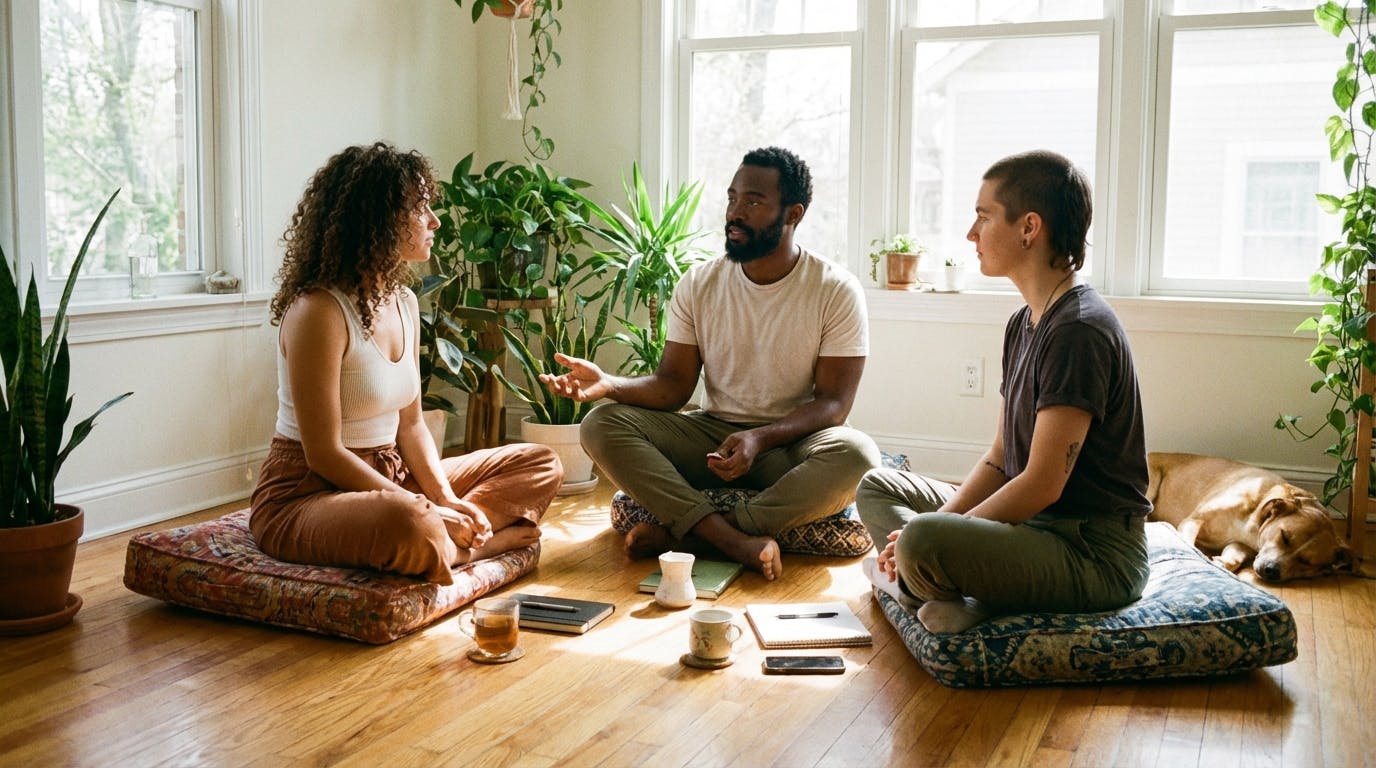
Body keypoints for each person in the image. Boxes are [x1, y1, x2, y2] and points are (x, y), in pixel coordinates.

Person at [538, 146, 881, 580]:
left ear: (793, 214)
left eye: (753, 201)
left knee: (859, 456)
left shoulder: (835, 290)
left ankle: (692, 538)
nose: (735, 212)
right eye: (732, 198)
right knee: (600, 425)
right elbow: (673, 385)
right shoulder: (699, 283)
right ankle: (735, 541)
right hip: (711, 440)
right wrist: (609, 383)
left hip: (788, 445)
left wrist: (761, 438)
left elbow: (834, 405)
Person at [856, 150, 1151, 633]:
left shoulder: (1079, 331)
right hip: (1029, 530)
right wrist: (932, 527)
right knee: (879, 486)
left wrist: (934, 536)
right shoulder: (1024, 322)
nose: (971, 234)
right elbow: (999, 460)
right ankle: (951, 590)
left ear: (1029, 228)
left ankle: (926, 586)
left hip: (1091, 554)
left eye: (983, 216)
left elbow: (1041, 484)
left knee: (922, 543)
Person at [250, 142, 563, 585]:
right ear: (378, 222)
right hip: (308, 493)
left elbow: (412, 425)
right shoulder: (318, 311)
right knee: (409, 522)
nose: (434, 221)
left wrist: (447, 500)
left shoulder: (404, 302)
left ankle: (449, 540)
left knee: (540, 461)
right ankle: (483, 545)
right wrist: (429, 511)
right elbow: (324, 454)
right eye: (421, 209)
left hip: (392, 476)